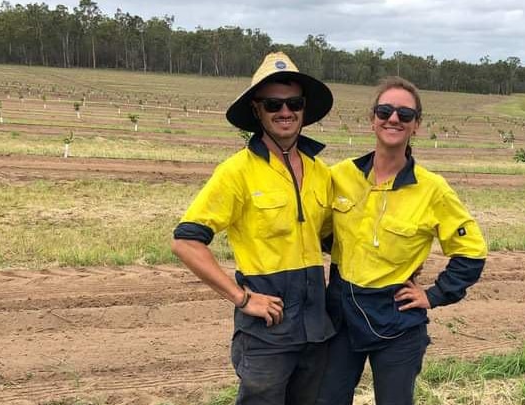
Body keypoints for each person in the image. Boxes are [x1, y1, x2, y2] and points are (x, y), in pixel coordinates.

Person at [171, 51, 335, 405]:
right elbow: (186, 242)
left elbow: (334, 240)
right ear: (257, 111)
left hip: (317, 330)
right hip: (267, 335)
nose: (285, 112)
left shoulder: (322, 173)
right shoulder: (236, 172)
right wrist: (242, 298)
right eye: (273, 105)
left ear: (305, 109)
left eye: (294, 102)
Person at [316, 76, 488, 405]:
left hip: (396, 317)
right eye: (385, 111)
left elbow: (472, 251)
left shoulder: (432, 189)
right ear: (372, 119)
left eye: (404, 114)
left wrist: (435, 294)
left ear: (416, 126)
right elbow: (321, 231)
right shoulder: (339, 176)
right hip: (340, 313)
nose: (393, 118)